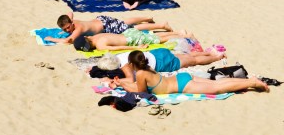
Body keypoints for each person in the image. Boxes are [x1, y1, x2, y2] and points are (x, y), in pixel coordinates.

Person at [110, 50, 269, 95]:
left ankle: (252, 82)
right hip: (181, 78)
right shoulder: (147, 68)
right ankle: (250, 81)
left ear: (131, 64)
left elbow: (140, 92)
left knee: (218, 88)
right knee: (217, 84)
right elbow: (136, 85)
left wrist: (123, 85)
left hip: (182, 85)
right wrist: (121, 82)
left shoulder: (141, 74)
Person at [44, 13, 168, 45]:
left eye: (68, 28)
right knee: (123, 22)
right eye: (65, 29)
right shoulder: (72, 21)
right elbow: (70, 12)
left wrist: (52, 39)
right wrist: (65, 28)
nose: (67, 31)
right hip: (101, 19)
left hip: (106, 26)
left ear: (71, 23)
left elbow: (68, 41)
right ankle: (147, 17)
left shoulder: (78, 29)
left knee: (131, 28)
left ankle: (161, 26)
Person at [73, 28, 191, 52]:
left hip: (132, 39)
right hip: (127, 33)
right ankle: (177, 32)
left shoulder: (100, 45)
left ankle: (183, 36)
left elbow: (119, 48)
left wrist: (136, 48)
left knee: (159, 40)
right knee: (154, 36)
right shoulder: (95, 36)